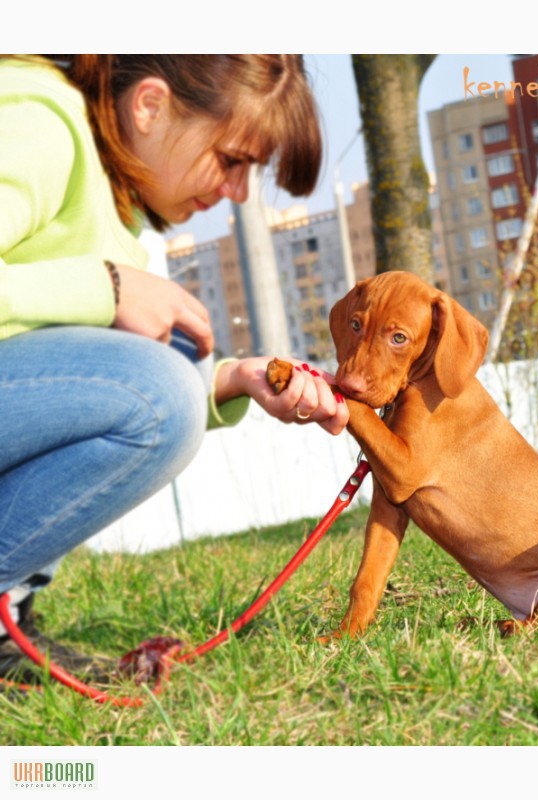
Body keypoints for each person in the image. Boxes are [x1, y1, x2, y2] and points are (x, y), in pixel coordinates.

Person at [0, 54, 348, 682]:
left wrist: (231, 379)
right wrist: (105, 288)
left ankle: (6, 620)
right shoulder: (38, 120)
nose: (237, 192)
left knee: (172, 356)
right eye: (233, 159)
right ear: (151, 106)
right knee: (158, 380)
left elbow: (69, 381)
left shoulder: (114, 210)